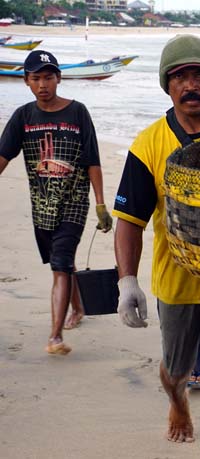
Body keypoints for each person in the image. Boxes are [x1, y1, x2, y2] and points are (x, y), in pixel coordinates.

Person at [111, 34, 200, 443]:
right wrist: (127, 282)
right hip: (177, 279)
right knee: (176, 370)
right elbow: (130, 221)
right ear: (167, 86)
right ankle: (177, 402)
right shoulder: (148, 145)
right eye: (181, 76)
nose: (191, 84)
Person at [0, 50, 112, 354]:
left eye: (48, 77)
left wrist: (100, 204)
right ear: (26, 81)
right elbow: (3, 156)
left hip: (74, 202)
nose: (43, 84)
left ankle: (55, 336)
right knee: (63, 262)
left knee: (60, 264)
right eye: (35, 78)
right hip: (42, 207)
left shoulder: (77, 113)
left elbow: (93, 161)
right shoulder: (23, 116)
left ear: (59, 78)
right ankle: (78, 308)